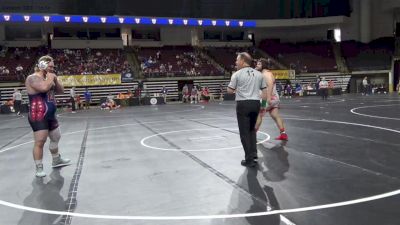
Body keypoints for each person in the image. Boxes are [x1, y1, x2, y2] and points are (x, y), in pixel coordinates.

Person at [25, 55, 71, 177]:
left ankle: (56, 159)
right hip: (38, 114)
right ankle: (39, 168)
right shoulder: (32, 78)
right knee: (40, 141)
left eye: (53, 66)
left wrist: (55, 80)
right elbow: (44, 88)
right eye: (50, 66)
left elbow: (61, 91)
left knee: (56, 137)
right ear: (42, 65)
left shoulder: (49, 78)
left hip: (51, 114)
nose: (52, 69)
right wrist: (51, 78)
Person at [227, 52, 268, 167]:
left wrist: (237, 90)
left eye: (237, 60)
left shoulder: (237, 74)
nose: (235, 62)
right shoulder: (259, 74)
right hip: (256, 104)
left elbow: (230, 91)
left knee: (244, 133)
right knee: (251, 130)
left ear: (242, 61)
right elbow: (264, 92)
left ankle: (249, 159)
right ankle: (254, 154)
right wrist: (263, 105)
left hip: (243, 104)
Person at [255, 58, 288, 141]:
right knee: (275, 115)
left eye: (259, 64)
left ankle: (253, 134)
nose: (256, 65)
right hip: (274, 98)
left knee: (259, 114)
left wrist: (268, 98)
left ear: (263, 65)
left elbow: (270, 85)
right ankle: (283, 134)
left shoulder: (266, 74)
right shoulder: (265, 73)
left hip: (267, 99)